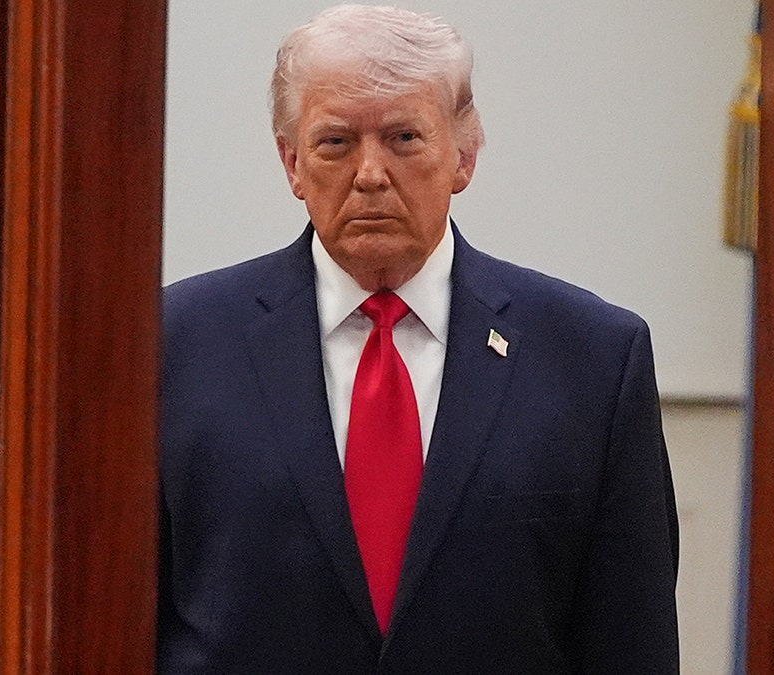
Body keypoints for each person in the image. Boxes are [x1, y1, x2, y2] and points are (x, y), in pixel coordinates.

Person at [160, 5, 679, 672]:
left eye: (404, 138)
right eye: (337, 143)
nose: (371, 173)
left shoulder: (594, 360)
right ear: (291, 162)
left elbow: (631, 640)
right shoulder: (179, 345)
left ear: (464, 156)